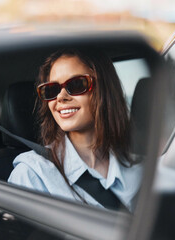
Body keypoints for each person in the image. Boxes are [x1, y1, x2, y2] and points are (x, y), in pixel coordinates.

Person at [8, 48, 142, 211]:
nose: (60, 97)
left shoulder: (141, 169)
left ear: (105, 89)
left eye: (77, 84)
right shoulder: (32, 174)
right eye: (51, 89)